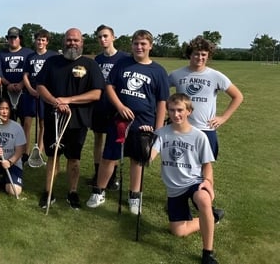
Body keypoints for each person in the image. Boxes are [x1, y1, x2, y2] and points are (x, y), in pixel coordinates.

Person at [87, 29, 169, 214]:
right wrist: (120, 107)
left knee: (137, 159)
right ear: (131, 45)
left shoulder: (158, 71)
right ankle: (98, 191)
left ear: (150, 46)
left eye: (143, 44)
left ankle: (134, 196)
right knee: (109, 156)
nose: (139, 47)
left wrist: (159, 130)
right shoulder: (123, 63)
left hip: (144, 121)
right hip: (119, 119)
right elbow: (109, 86)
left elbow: (162, 101)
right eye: (136, 43)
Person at [36, 28, 105, 209]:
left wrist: (69, 100)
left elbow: (97, 93)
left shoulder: (90, 65)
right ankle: (48, 192)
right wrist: (55, 102)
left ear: (82, 42)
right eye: (69, 40)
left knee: (74, 158)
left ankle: (72, 192)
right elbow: (40, 86)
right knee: (53, 156)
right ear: (63, 42)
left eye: (76, 40)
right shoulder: (52, 62)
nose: (72, 43)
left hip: (78, 121)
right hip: (54, 118)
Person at [149, 93, 221, 264]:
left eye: (180, 110)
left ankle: (207, 253)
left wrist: (208, 183)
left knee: (203, 199)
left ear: (189, 111)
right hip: (174, 189)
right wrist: (144, 139)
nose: (176, 114)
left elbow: (207, 165)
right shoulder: (161, 133)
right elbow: (149, 158)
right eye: (172, 110)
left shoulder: (199, 136)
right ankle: (212, 217)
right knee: (178, 232)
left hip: (194, 182)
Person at [168, 35, 243, 160]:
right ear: (189, 55)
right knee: (183, 166)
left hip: (206, 129)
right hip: (183, 127)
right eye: (196, 54)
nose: (200, 57)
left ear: (208, 55)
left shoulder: (215, 76)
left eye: (204, 54)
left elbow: (238, 96)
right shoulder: (176, 74)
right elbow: (160, 91)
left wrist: (223, 118)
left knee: (205, 169)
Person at [89, 25, 130, 189]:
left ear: (114, 37)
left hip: (116, 106)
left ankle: (113, 176)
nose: (102, 39)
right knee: (98, 138)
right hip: (100, 105)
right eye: (99, 37)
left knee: (115, 140)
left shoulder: (124, 58)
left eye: (105, 36)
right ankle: (98, 172)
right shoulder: (97, 60)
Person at [21, 29, 57, 159]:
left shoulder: (52, 56)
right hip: (30, 93)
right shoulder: (30, 56)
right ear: (35, 41)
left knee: (43, 123)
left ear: (47, 42)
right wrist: (30, 89)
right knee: (27, 122)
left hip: (45, 94)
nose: (40, 42)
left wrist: (45, 92)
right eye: (38, 40)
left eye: (43, 40)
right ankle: (25, 151)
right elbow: (25, 75)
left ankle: (39, 151)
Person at [0, 26, 33, 121]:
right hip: (7, 92)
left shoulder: (29, 53)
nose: (12, 40)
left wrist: (21, 84)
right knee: (7, 121)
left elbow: (31, 72)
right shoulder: (0, 54)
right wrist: (7, 84)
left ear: (19, 38)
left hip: (24, 92)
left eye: (15, 37)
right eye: (10, 38)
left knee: (25, 122)